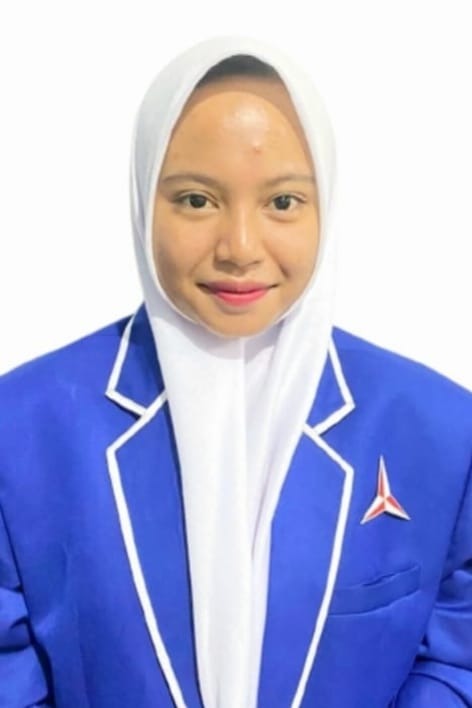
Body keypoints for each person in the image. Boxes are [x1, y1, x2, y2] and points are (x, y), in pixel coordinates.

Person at [0, 34, 471, 708]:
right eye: (197, 200)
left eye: (283, 202)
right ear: (142, 199)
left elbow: (457, 658)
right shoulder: (20, 430)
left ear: (326, 205)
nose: (240, 248)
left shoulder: (442, 432)